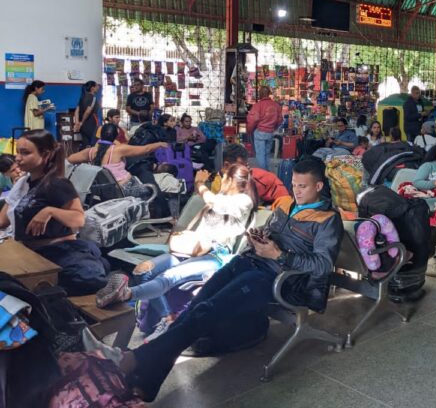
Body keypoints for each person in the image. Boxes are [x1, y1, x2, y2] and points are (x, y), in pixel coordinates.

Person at [91, 158, 343, 402]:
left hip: (280, 279)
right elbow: (274, 233)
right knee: (196, 306)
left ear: (318, 186)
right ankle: (149, 381)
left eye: (303, 186)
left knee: (207, 311)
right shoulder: (287, 205)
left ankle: (135, 359)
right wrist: (260, 237)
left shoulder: (328, 220)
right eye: (295, 185)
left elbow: (322, 264)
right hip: (251, 262)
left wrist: (280, 254)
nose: (296, 191)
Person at [95, 164, 259, 342]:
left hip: (215, 254)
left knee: (168, 276)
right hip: (191, 247)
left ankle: (127, 294)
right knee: (143, 271)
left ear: (234, 181)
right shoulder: (220, 196)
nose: (221, 180)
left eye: (224, 177)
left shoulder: (244, 201)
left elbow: (215, 203)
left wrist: (201, 184)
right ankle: (167, 317)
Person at [0, 130, 107, 294]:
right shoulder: (24, 183)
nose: (18, 158)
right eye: (17, 153)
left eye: (25, 153)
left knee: (87, 278)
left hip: (59, 252)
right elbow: (3, 221)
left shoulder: (57, 184)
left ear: (46, 154)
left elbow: (79, 219)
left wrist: (50, 211)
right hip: (30, 252)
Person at [67, 124, 168, 198]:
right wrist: (159, 144)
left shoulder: (90, 152)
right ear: (115, 137)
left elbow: (69, 160)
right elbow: (145, 149)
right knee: (152, 190)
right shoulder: (118, 149)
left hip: (101, 191)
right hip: (124, 188)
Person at [246, 86, 283, 171]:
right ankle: (267, 172)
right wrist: (274, 128)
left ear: (260, 94)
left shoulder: (258, 106)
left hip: (260, 132)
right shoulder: (276, 105)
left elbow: (252, 120)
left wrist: (249, 130)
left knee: (260, 154)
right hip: (270, 132)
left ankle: (263, 173)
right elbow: (280, 119)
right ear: (268, 93)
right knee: (267, 154)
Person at [74, 81, 100, 147]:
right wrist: (82, 122)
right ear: (92, 88)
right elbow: (88, 111)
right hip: (90, 125)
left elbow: (77, 110)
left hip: (82, 126)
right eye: (97, 86)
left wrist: (77, 123)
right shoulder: (93, 98)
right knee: (94, 145)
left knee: (85, 144)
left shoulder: (82, 97)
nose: (98, 87)